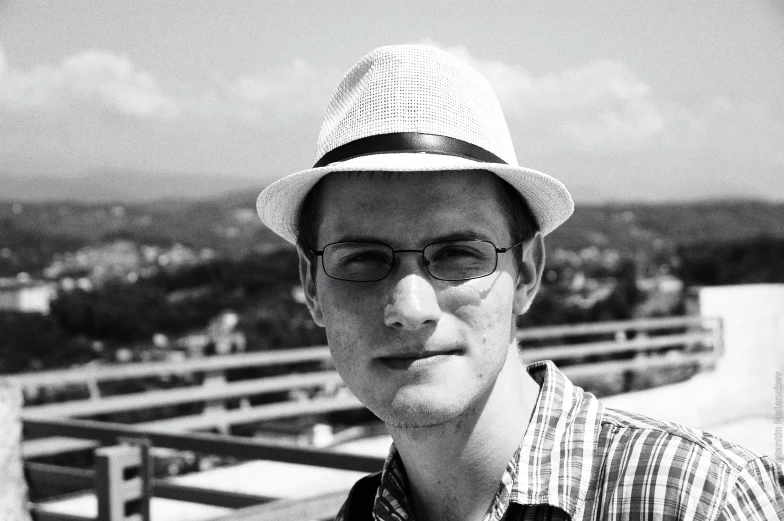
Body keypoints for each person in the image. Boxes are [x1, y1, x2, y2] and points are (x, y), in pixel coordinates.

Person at [256, 45, 783, 521]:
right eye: (363, 258)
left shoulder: (698, 500)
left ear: (527, 271)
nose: (410, 307)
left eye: (459, 254)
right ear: (311, 284)